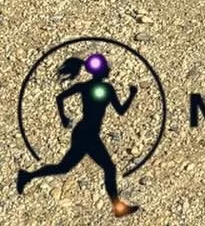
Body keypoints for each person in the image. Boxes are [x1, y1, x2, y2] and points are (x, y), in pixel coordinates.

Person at [16, 52, 140, 216]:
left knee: (64, 167)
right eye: (107, 67)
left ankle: (27, 176)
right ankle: (118, 207)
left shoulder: (85, 86)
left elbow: (59, 98)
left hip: (83, 131)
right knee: (108, 168)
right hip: (88, 134)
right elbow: (121, 111)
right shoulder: (107, 89)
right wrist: (132, 94)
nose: (109, 69)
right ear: (103, 71)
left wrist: (64, 117)